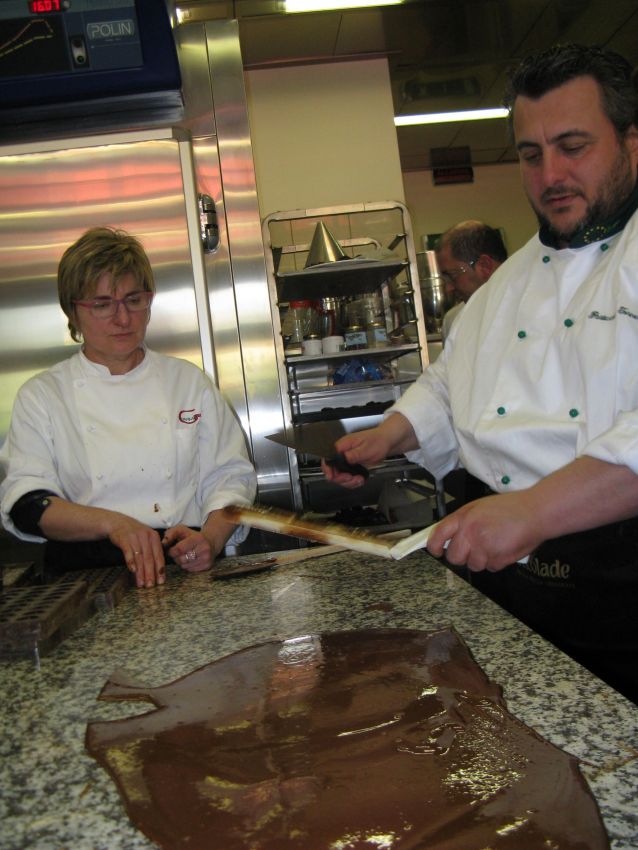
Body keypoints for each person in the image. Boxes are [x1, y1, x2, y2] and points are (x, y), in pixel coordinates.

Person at [323, 43, 638, 703]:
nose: (550, 174)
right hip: (501, 577)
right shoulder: (504, 285)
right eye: (530, 154)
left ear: (631, 143)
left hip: (618, 585)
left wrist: (532, 510)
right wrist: (393, 433)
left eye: (573, 146)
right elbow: (450, 383)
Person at [0, 227, 257, 589]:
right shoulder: (43, 396)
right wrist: (116, 524)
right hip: (84, 581)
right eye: (102, 304)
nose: (123, 319)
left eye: (134, 300)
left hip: (182, 570)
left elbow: (230, 478)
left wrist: (211, 540)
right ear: (72, 310)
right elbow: (28, 505)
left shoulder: (188, 382)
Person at [437, 220, 507, 341]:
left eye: (452, 275)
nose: (448, 288)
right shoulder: (453, 320)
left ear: (485, 266)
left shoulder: (532, 306)